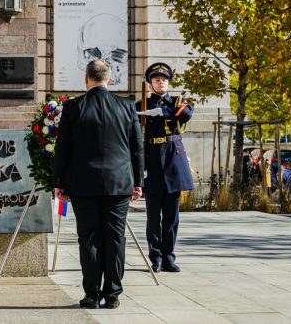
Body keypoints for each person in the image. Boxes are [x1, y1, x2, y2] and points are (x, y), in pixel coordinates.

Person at [53, 60, 143, 310]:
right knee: (115, 239)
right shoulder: (126, 106)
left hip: (83, 184)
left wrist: (58, 182)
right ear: (109, 79)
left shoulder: (73, 107)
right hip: (119, 183)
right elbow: (137, 148)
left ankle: (92, 294)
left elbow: (64, 148)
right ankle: (113, 294)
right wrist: (138, 182)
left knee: (89, 238)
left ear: (86, 79)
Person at [136, 62, 194, 273]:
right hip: (152, 159)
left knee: (172, 216)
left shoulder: (177, 101)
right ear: (150, 83)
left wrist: (161, 111)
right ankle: (156, 256)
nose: (161, 82)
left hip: (173, 160)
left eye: (164, 80)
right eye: (156, 80)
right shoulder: (141, 104)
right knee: (153, 217)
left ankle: (169, 256)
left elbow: (186, 114)